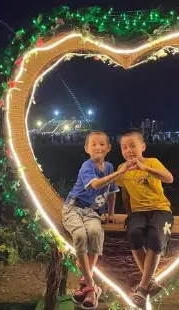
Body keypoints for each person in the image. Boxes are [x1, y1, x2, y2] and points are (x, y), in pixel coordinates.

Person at [63, 130, 131, 309]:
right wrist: (118, 173)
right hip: (74, 209)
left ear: (108, 148)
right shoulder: (87, 167)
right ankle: (92, 289)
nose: (98, 147)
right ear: (86, 148)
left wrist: (110, 213)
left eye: (102, 144)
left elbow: (111, 193)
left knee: (94, 232)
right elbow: (96, 184)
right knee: (79, 236)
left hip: (92, 213)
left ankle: (83, 283)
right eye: (93, 144)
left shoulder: (108, 167)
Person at [116, 128, 175, 307]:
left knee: (155, 237)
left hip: (161, 210)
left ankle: (142, 288)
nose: (129, 151)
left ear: (142, 146)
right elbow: (125, 195)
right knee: (134, 234)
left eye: (133, 146)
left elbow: (169, 178)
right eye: (124, 147)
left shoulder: (152, 162)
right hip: (138, 212)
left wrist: (145, 168)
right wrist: (130, 215)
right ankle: (150, 282)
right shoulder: (122, 169)